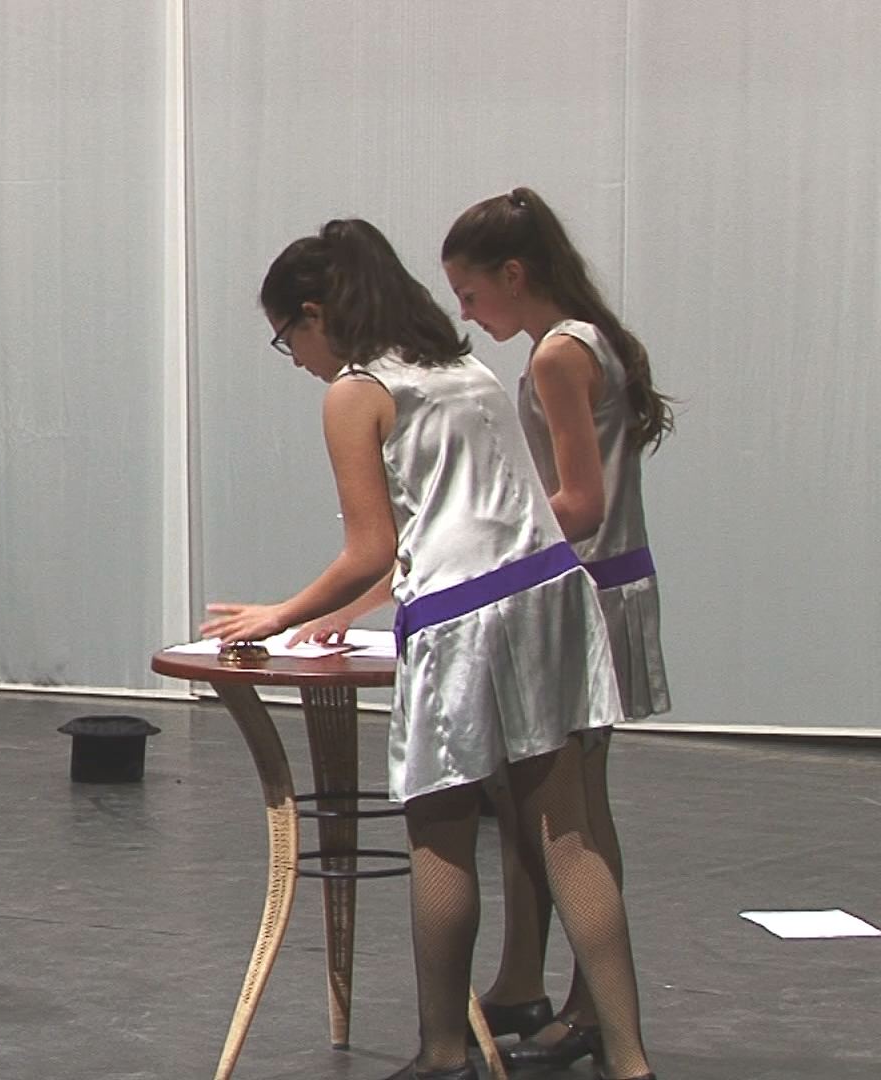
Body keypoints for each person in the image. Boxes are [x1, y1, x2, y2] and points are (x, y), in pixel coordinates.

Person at [201, 219, 655, 1080]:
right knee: (568, 835)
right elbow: (463, 521)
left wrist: (279, 615)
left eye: (288, 338)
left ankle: (444, 1050)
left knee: (440, 835)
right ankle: (631, 1061)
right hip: (551, 594)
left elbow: (372, 546)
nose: (296, 359)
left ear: (314, 314)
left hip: (465, 622)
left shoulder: (357, 391)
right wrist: (345, 607)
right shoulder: (463, 369)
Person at [440, 187, 673, 1069]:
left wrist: (479, 535)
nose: (467, 314)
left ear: (514, 274)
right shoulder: (584, 340)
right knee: (538, 804)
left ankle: (599, 1017)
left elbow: (581, 501)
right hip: (601, 587)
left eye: (471, 294)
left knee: (567, 820)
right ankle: (527, 984)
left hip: (583, 597)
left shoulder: (559, 354)